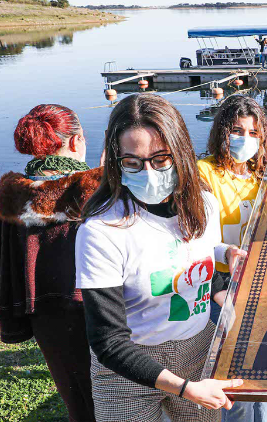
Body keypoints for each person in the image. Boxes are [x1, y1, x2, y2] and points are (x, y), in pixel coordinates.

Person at [76, 93, 245, 422]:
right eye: (133, 163)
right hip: (127, 367)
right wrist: (184, 388)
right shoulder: (101, 231)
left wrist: (238, 311)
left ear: (180, 152)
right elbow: (108, 340)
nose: (149, 172)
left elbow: (207, 273)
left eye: (160, 159)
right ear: (115, 160)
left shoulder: (204, 206)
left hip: (197, 348)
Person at [0, 104, 101, 422]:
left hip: (48, 317)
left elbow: (7, 267)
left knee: (78, 398)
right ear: (77, 140)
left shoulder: (10, 196)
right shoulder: (96, 189)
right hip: (105, 307)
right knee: (119, 396)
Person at [197, 95, 267, 422]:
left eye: (253, 132)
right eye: (237, 130)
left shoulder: (265, 177)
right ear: (222, 133)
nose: (245, 139)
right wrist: (225, 258)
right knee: (234, 375)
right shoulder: (204, 173)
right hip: (221, 288)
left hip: (261, 287)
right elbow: (197, 238)